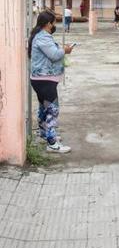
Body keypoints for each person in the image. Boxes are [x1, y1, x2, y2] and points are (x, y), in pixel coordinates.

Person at [29, 11, 74, 153]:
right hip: (44, 80)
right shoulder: (43, 37)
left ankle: (44, 133)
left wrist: (60, 49)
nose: (55, 25)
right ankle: (52, 142)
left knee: (44, 107)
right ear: (48, 24)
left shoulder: (42, 36)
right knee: (52, 110)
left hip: (42, 79)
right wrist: (65, 50)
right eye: (54, 22)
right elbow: (54, 55)